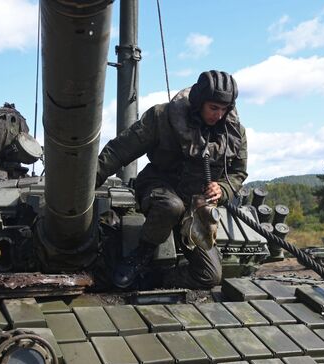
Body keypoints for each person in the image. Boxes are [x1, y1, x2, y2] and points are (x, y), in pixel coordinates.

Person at [96, 70, 248, 289]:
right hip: (158, 189)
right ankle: (141, 254)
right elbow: (120, 150)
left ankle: (154, 280)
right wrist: (86, 184)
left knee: (209, 276)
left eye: (224, 109)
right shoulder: (162, 117)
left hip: (196, 207)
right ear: (198, 102)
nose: (219, 115)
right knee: (171, 205)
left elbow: (238, 173)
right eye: (213, 108)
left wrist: (222, 189)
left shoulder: (234, 134)